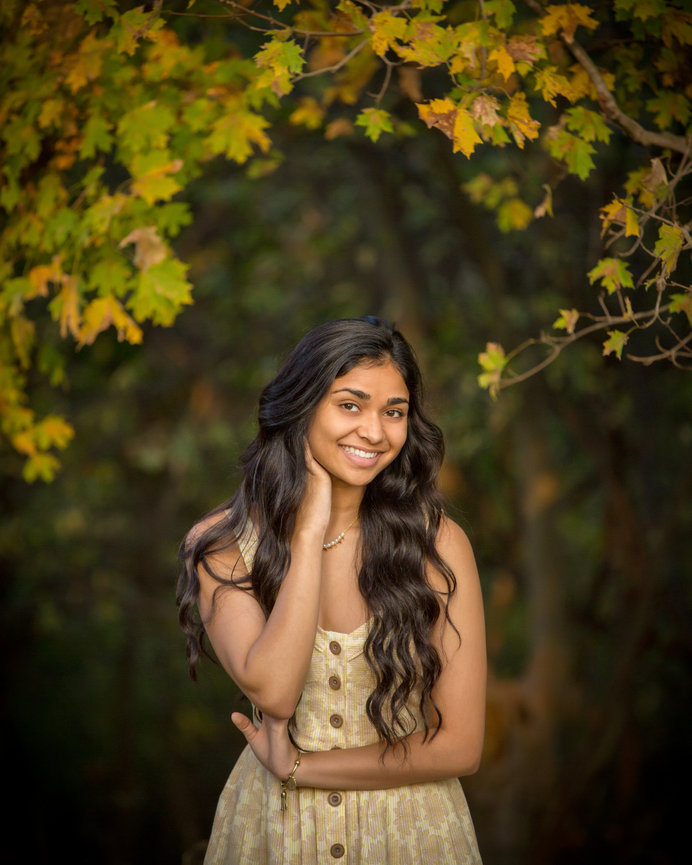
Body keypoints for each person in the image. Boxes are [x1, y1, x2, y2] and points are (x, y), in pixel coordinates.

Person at [177, 316, 486, 864]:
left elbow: (460, 746)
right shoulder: (223, 545)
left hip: (411, 835)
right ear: (301, 407)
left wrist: (302, 767)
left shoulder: (437, 545)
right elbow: (275, 691)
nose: (375, 432)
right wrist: (308, 532)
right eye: (350, 405)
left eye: (394, 412)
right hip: (277, 834)